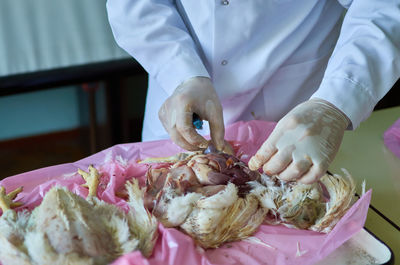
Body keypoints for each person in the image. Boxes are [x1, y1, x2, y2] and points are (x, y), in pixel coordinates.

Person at [106, 0, 400, 184]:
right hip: (179, 93)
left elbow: (383, 6)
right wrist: (180, 72)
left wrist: (335, 103)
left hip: (297, 114)